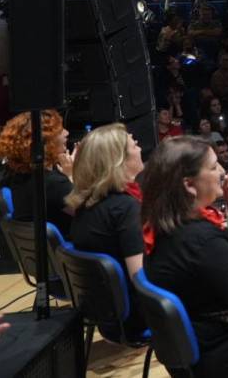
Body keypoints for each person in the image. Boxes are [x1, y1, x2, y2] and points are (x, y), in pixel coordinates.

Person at [142, 137, 228, 378]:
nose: (222, 171)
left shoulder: (169, 227)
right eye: (213, 166)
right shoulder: (200, 241)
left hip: (212, 345)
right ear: (189, 184)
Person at [66, 123, 147, 341]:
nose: (139, 146)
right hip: (139, 318)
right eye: (133, 144)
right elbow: (141, 278)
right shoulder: (125, 209)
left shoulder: (86, 205)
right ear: (119, 161)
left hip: (108, 317)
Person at [0, 110, 74, 234]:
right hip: (64, 250)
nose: (67, 133)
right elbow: (90, 215)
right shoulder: (53, 184)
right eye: (60, 131)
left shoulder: (15, 178)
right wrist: (71, 175)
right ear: (44, 142)